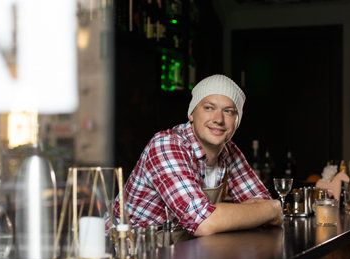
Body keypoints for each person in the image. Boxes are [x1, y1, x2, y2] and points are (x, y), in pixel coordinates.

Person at [118, 74, 283, 243]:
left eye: (228, 111)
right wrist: (273, 209)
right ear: (191, 114)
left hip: (178, 254)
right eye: (209, 108)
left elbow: (264, 208)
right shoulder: (166, 145)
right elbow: (203, 222)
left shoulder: (230, 152)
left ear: (236, 121)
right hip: (127, 254)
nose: (218, 119)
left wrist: (265, 211)